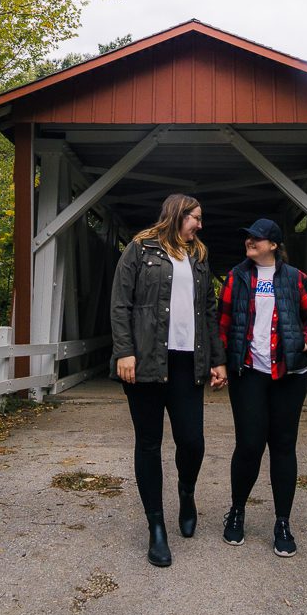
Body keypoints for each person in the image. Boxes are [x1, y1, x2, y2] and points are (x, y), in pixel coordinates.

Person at [110, 193, 228, 567]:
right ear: (178, 215)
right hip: (144, 361)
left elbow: (209, 310)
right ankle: (156, 527)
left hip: (187, 362)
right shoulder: (139, 248)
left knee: (192, 441)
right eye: (196, 217)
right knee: (148, 443)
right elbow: (120, 303)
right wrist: (124, 351)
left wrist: (217, 359)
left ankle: (187, 490)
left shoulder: (199, 257)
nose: (200, 224)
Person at [218, 217, 307, 557]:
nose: (250, 242)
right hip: (248, 373)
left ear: (274, 245)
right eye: (248, 238)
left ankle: (282, 521)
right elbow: (222, 322)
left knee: (283, 446)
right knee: (249, 444)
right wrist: (222, 361)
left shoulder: (295, 278)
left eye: (257, 238)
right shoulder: (237, 277)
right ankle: (237, 510)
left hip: (289, 374)